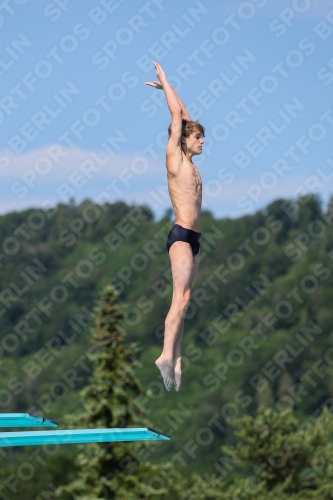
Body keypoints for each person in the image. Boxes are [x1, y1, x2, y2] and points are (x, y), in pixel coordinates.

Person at [145, 62, 205, 391]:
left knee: (186, 299)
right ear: (183, 139)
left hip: (195, 239)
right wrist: (165, 82)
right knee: (178, 300)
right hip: (181, 236)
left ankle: (177, 356)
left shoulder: (192, 165)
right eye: (198, 138)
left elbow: (185, 114)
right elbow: (178, 117)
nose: (202, 142)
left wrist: (172, 91)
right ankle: (165, 355)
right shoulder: (175, 157)